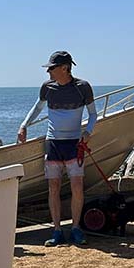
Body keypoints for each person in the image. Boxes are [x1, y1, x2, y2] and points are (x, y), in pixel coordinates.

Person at [17, 51, 97, 246]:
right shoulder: (47, 87)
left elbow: (93, 114)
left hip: (74, 143)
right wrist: (24, 126)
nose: (48, 72)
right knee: (53, 187)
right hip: (53, 143)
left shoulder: (82, 87)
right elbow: (37, 108)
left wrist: (87, 132)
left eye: (52, 68)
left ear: (64, 68)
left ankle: (76, 228)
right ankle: (57, 231)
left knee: (77, 186)